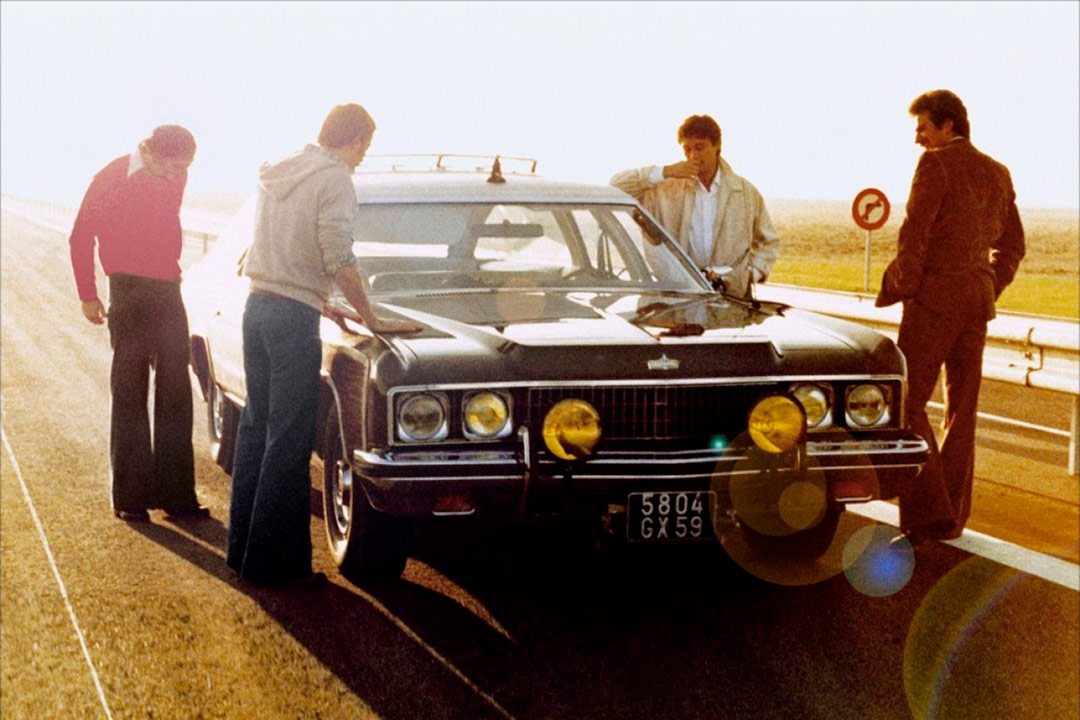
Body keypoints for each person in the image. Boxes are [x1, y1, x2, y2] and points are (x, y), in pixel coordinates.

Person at [226, 103, 423, 585]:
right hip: (292, 318)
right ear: (353, 139)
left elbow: (274, 251)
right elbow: (338, 256)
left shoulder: (280, 170)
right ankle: (277, 567)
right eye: (364, 148)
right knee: (289, 439)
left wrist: (321, 300)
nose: (361, 159)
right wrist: (371, 316)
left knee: (257, 426)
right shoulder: (333, 178)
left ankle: (243, 552)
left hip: (258, 306)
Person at [876, 89, 1025, 547]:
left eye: (923, 127)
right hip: (975, 304)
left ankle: (928, 511)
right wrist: (986, 283)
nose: (917, 138)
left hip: (934, 302)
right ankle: (951, 517)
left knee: (907, 402)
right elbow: (1014, 247)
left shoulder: (935, 165)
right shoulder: (998, 172)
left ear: (947, 126)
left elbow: (914, 235)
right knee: (962, 409)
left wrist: (907, 288)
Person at [69, 125, 208, 523]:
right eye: (170, 168)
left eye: (183, 169)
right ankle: (130, 498)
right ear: (148, 151)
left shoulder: (178, 173)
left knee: (176, 393)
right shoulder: (110, 177)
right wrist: (87, 295)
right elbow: (81, 236)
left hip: (167, 289)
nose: (176, 177)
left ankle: (177, 496)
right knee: (129, 391)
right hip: (127, 292)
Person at [610, 114, 780, 298]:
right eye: (687, 149)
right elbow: (616, 186)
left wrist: (750, 275)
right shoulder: (667, 188)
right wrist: (665, 171)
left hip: (732, 297)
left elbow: (768, 242)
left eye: (700, 147)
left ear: (717, 147)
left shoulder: (745, 192)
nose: (693, 156)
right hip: (679, 295)